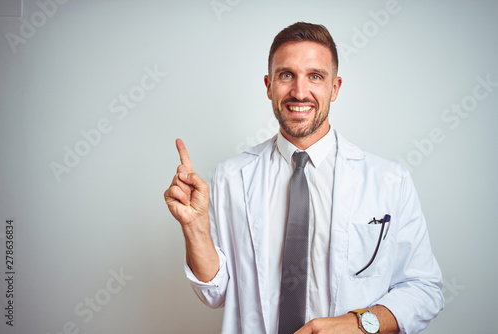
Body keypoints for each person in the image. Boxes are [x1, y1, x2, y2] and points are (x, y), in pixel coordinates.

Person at [164, 22, 444, 334]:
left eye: (315, 76)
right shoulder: (230, 177)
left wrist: (359, 324)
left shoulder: (389, 180)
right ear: (269, 85)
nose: (299, 92)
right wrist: (195, 228)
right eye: (286, 75)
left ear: (334, 88)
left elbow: (424, 289)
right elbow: (215, 293)